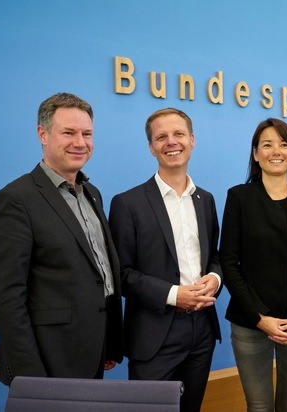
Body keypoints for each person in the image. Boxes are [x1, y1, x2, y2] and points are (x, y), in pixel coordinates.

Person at [0, 92, 123, 386]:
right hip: (47, 361)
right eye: (69, 133)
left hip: (91, 350)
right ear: (42, 134)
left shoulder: (92, 194)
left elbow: (101, 273)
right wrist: (31, 377)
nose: (80, 142)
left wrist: (108, 342)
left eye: (87, 134)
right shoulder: (15, 200)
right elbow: (6, 298)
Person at [108, 108, 221, 412]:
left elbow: (214, 257)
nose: (171, 142)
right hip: (154, 335)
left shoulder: (206, 200)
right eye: (161, 137)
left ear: (192, 140)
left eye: (179, 134)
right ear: (151, 147)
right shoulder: (127, 203)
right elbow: (121, 274)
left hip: (202, 331)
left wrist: (215, 279)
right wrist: (174, 295)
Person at [220, 118, 287, 412]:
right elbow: (228, 262)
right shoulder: (239, 197)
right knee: (259, 407)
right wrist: (259, 317)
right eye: (267, 145)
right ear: (256, 154)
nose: (276, 151)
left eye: (283, 144)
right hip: (250, 323)